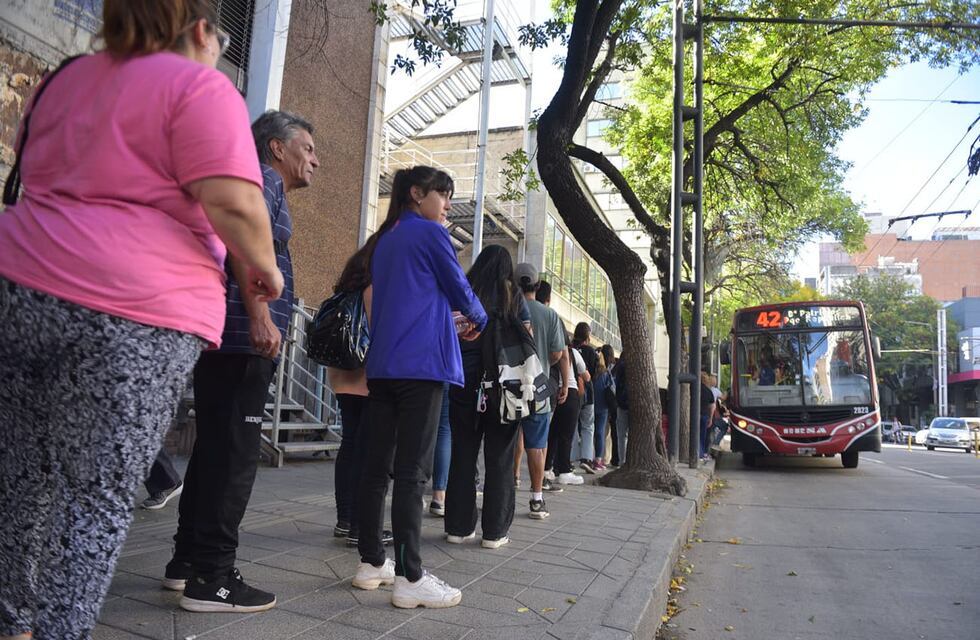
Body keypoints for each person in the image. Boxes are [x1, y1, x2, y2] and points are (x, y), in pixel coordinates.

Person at [0, 1, 282, 636]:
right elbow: (234, 202)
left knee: (18, 474)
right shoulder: (198, 84)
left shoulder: (66, 76)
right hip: (134, 311)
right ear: (204, 31)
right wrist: (265, 267)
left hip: (19, 284)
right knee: (92, 494)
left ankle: (11, 619)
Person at [167, 109, 318, 613]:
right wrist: (260, 316)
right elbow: (241, 244)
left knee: (213, 451)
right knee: (233, 458)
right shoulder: (264, 182)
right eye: (308, 148)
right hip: (242, 339)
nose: (314, 160)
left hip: (225, 339)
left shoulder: (256, 183)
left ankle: (187, 562)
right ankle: (213, 577)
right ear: (278, 147)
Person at [351, 166, 486, 609]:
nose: (447, 204)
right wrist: (479, 320)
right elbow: (461, 289)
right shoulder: (430, 235)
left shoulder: (385, 240)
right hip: (422, 366)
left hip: (386, 365)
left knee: (376, 468)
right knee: (412, 474)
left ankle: (372, 561)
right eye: (443, 195)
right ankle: (411, 577)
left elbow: (411, 299)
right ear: (417, 193)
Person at [445, 245, 530, 549]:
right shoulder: (514, 297)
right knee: (501, 458)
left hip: (463, 384)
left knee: (463, 455)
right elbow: (527, 338)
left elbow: (449, 332)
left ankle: (458, 527)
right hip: (503, 388)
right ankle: (494, 533)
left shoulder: (465, 290)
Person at [327, 240, 393, 547]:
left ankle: (345, 518)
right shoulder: (374, 290)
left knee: (350, 444)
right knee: (368, 450)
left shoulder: (344, 292)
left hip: (342, 377)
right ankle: (360, 525)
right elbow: (382, 332)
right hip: (366, 378)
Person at [511, 267, 568, 518]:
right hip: (538, 387)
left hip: (509, 387)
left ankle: (505, 488)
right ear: (537, 285)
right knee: (537, 445)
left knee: (508, 439)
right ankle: (536, 498)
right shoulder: (550, 315)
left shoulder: (508, 311)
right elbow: (557, 354)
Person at [545, 333, 589, 485]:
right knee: (566, 435)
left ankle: (546, 467)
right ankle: (564, 470)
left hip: (551, 392)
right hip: (569, 392)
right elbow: (587, 376)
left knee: (553, 433)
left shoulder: (548, 349)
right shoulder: (572, 353)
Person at [571, 322, 599, 473]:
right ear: (587, 336)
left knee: (573, 426)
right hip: (588, 394)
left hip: (572, 393)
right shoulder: (591, 352)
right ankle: (586, 458)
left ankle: (571, 456)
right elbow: (592, 375)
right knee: (588, 426)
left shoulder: (571, 349)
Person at [429, 387, 451, 516]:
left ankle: (414, 491)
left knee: (418, 427)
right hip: (443, 372)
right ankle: (439, 497)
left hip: (415, 374)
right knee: (444, 430)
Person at [591, 351, 613, 471]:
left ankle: (587, 457)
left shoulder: (591, 373)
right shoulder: (606, 374)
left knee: (589, 432)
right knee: (600, 433)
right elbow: (611, 388)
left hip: (590, 406)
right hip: (603, 407)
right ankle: (598, 459)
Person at [699, 371, 716, 460]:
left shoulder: (693, 388)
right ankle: (702, 454)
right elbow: (712, 406)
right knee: (703, 436)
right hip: (704, 416)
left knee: (694, 435)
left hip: (694, 415)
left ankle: (697, 453)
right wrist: (711, 418)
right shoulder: (708, 391)